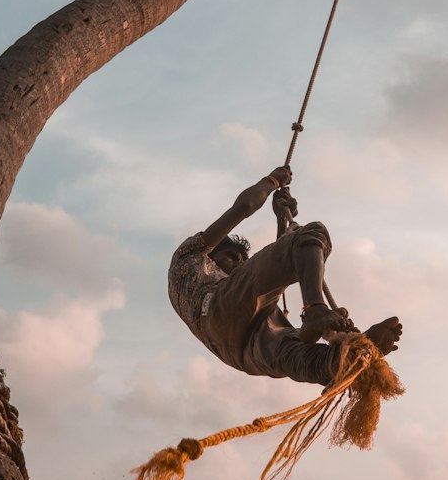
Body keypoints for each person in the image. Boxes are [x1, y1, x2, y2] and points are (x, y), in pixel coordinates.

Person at [168, 166, 402, 387]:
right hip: (217, 313)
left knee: (298, 355)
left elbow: (269, 278)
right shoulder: (191, 255)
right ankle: (315, 309)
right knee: (311, 234)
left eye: (241, 261)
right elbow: (244, 206)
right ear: (213, 254)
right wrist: (271, 181)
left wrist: (282, 219)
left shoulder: (236, 291)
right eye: (232, 257)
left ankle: (351, 360)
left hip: (240, 351)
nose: (239, 264)